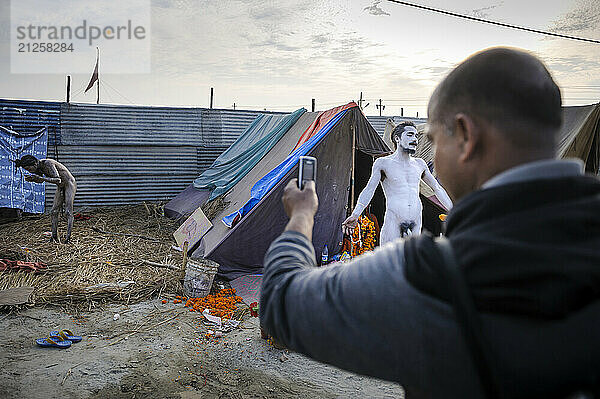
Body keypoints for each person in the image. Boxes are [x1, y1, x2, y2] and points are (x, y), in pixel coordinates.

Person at [260, 47, 600, 398]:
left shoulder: (425, 275)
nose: (431, 156)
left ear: (465, 137)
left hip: (415, 227)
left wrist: (302, 214)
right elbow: (370, 192)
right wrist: (359, 213)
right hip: (395, 220)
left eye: (435, 140)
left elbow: (281, 301)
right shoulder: (384, 166)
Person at [342, 121, 452, 242]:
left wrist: (453, 210)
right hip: (393, 220)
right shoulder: (383, 163)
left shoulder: (420, 164)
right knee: (390, 258)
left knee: (411, 258)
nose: (415, 139)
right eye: (410, 134)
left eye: (416, 135)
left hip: (416, 220)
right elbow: (369, 190)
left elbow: (437, 188)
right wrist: (356, 214)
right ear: (397, 138)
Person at [13, 155, 77, 243]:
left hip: (69, 184)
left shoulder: (47, 163)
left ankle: (68, 238)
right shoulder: (39, 168)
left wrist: (39, 178)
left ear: (35, 164)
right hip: (60, 186)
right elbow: (41, 180)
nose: (29, 171)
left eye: (29, 169)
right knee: (54, 212)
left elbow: (57, 179)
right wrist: (33, 179)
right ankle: (54, 237)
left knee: (68, 212)